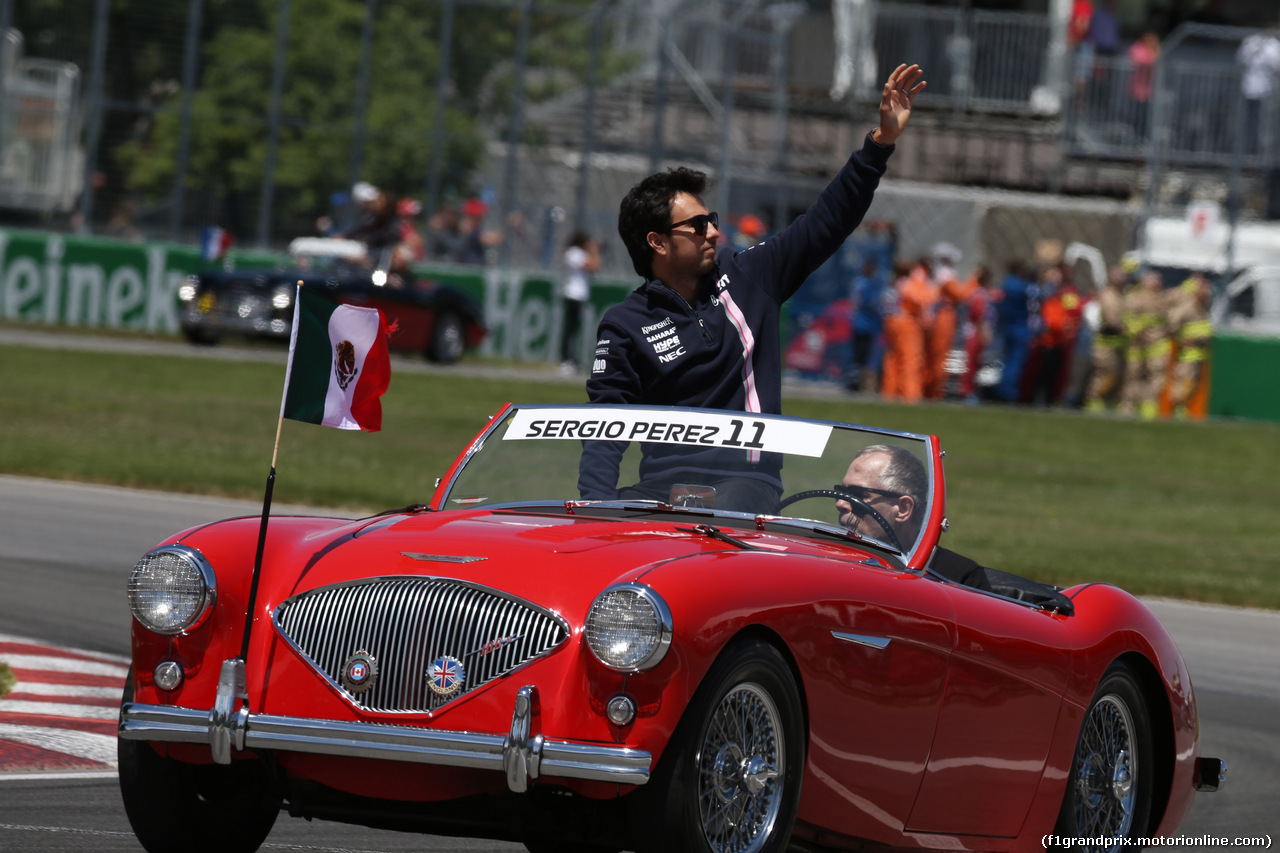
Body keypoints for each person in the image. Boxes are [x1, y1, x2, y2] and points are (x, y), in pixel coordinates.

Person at [578, 63, 927, 508]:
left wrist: (879, 145)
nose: (713, 233)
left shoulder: (747, 276)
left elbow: (825, 223)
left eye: (713, 221)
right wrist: (593, 509)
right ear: (657, 242)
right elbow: (605, 427)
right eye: (698, 224)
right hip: (661, 491)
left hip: (743, 489)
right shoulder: (625, 323)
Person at [836, 444, 993, 591]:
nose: (841, 503)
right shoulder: (829, 555)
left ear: (903, 509)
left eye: (858, 495)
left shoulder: (961, 578)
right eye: (840, 492)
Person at [1119, 268, 1173, 419]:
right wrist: (1136, 328)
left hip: (1156, 345)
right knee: (1133, 376)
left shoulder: (1162, 299)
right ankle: (1127, 408)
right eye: (1154, 280)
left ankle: (1148, 409)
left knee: (1155, 378)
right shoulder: (1134, 298)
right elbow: (1127, 320)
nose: (1158, 284)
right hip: (1136, 345)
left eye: (1159, 281)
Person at [1167, 271, 1213, 419]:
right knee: (1185, 382)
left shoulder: (1204, 309)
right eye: (1204, 291)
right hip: (1188, 353)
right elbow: (1172, 322)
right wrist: (1181, 339)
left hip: (1200, 353)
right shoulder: (1188, 306)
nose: (1207, 294)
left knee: (1192, 384)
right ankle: (1176, 411)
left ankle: (1182, 412)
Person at [1084, 264, 1130, 412]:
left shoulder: (1121, 295)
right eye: (1119, 275)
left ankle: (1105, 403)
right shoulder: (1108, 295)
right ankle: (1094, 402)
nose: (1123, 278)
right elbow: (1112, 319)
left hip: (1117, 346)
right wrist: (1127, 328)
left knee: (1115, 376)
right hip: (1105, 344)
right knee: (1104, 374)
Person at [560, 231, 601, 374]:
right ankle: (566, 360)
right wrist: (594, 252)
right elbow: (591, 266)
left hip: (580, 296)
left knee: (575, 329)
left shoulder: (581, 253)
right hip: (573, 294)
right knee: (569, 329)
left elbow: (595, 267)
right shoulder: (574, 253)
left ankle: (572, 359)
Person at [1238, 27, 1280, 157]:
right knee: (1258, 125)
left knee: (1254, 124)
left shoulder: (1251, 41)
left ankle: (1253, 152)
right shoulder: (1268, 44)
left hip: (1256, 90)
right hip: (1260, 90)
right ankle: (1253, 153)